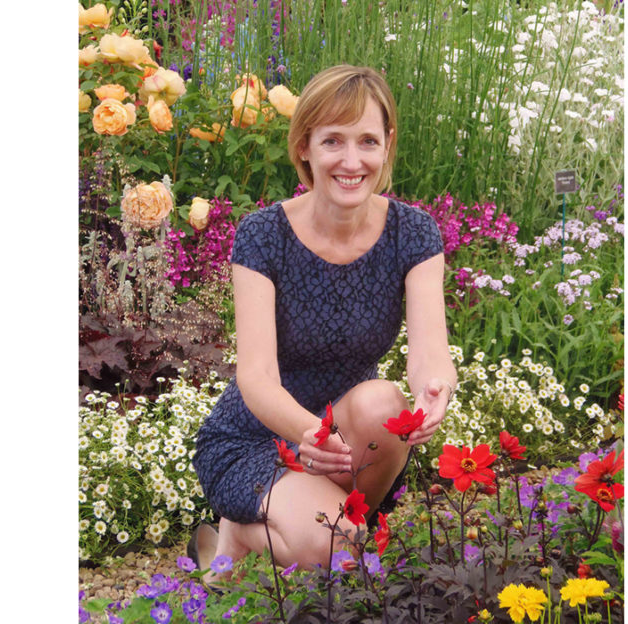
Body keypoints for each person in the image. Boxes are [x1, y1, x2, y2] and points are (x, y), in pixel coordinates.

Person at [190, 64, 456, 579]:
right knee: (338, 547)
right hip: (257, 437)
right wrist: (310, 433)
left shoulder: (414, 233)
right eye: (333, 140)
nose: (352, 160)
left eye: (367, 141)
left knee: (387, 404)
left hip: (344, 435)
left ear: (387, 145)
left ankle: (310, 533)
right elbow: (256, 377)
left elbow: (429, 350)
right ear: (304, 146)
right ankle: (240, 529)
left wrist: (434, 387)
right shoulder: (263, 235)